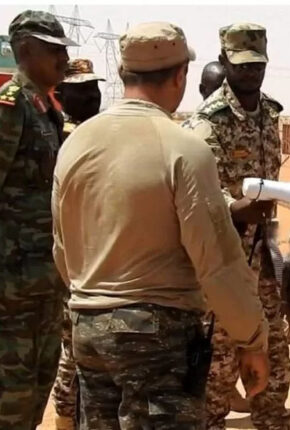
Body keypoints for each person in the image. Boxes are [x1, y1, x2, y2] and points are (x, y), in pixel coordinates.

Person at [52, 21, 270, 428]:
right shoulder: (184, 149)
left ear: (123, 73)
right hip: (156, 335)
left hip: (88, 326)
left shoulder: (76, 144)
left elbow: (62, 249)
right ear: (180, 76)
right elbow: (218, 262)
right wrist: (252, 339)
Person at [182, 22, 290, 429]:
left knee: (274, 359)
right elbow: (198, 189)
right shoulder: (208, 121)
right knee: (218, 364)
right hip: (222, 257)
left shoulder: (271, 114)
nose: (251, 72)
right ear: (224, 61)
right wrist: (236, 207)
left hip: (261, 254)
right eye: (242, 64)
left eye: (257, 64)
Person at [0, 10, 76, 429]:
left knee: (35, 389)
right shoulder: (10, 107)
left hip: (43, 286)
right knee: (10, 399)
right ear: (26, 49)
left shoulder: (46, 110)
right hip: (11, 291)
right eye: (54, 51)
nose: (64, 59)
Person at [51, 57, 104, 430]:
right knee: (74, 346)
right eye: (81, 90)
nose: (91, 96)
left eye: (94, 88)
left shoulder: (98, 132)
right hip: (73, 255)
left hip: (99, 254)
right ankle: (65, 417)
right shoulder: (64, 136)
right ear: (61, 94)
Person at [57, 58, 103, 141]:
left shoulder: (107, 128)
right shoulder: (55, 132)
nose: (93, 95)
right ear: (60, 94)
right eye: (83, 89)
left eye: (94, 87)